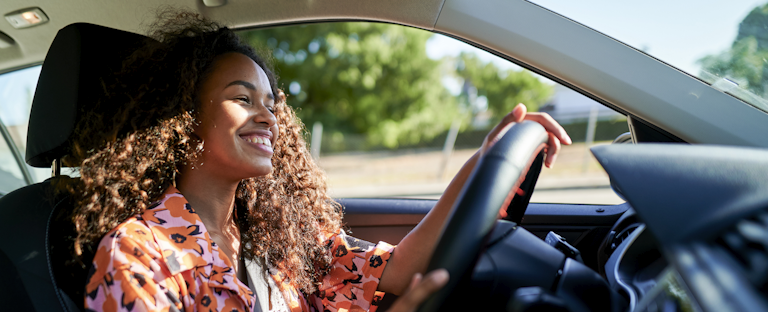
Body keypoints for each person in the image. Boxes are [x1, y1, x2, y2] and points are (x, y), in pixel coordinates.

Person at [73, 11, 571, 312]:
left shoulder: (280, 238)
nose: (267, 116)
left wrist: (483, 162)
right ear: (182, 120)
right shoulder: (138, 255)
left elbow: (399, 269)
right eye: (242, 98)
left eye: (271, 102)